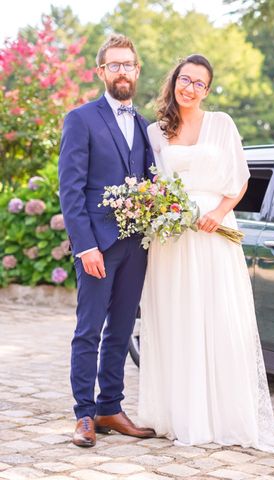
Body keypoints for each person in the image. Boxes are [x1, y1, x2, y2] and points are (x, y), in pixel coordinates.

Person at [138, 54, 274, 452]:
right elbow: (151, 184)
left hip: (216, 232)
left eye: (199, 84)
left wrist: (218, 214)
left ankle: (223, 415)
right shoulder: (155, 132)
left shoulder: (222, 124)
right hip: (172, 238)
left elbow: (240, 178)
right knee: (177, 318)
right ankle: (180, 414)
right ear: (174, 82)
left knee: (220, 316)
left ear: (208, 89)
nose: (190, 88)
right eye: (185, 80)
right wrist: (164, 212)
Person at [59, 34, 156, 447]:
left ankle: (110, 408)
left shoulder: (143, 123)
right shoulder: (81, 119)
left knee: (120, 330)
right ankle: (83, 415)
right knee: (89, 331)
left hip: (137, 245)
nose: (122, 72)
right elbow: (71, 189)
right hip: (97, 245)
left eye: (128, 65)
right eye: (113, 65)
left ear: (137, 71)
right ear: (101, 72)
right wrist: (85, 246)